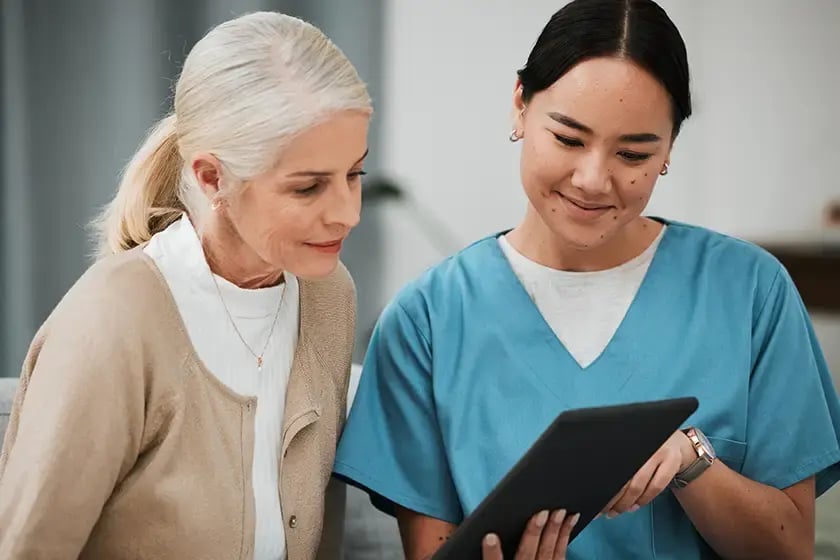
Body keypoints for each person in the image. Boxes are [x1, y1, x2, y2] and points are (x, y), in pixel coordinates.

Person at [333, 0, 840, 558]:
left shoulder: (750, 294)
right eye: (569, 140)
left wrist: (690, 460)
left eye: (632, 153)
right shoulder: (426, 322)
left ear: (669, 147)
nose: (593, 180)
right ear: (520, 106)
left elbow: (792, 549)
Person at [0, 11, 370, 560]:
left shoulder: (327, 293)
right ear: (211, 176)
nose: (347, 214)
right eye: (308, 187)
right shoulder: (113, 321)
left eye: (354, 174)